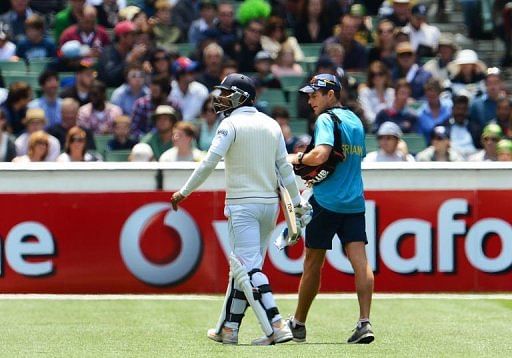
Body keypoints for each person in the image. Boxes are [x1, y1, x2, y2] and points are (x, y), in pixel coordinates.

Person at [170, 73, 310, 346]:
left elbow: (209, 161)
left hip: (242, 205)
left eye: (226, 93)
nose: (220, 99)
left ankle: (277, 325)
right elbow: (285, 170)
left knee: (247, 268)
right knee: (243, 269)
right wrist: (298, 203)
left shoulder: (230, 124)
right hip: (269, 206)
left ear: (240, 96)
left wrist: (184, 191)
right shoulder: (271, 124)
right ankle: (228, 328)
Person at [286, 73, 374, 344]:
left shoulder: (326, 119)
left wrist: (290, 158)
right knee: (360, 261)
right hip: (354, 202)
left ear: (331, 94)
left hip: (325, 202)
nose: (310, 100)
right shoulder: (355, 120)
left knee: (313, 263)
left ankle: (298, 324)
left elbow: (321, 155)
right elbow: (352, 157)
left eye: (314, 94)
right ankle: (364, 323)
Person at [169, 56, 209, 122]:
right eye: (190, 72)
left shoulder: (201, 90)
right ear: (180, 75)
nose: (193, 74)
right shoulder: (169, 89)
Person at [358, 61, 395, 126]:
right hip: (373, 126)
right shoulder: (365, 92)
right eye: (373, 75)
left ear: (386, 75)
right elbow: (368, 114)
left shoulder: (392, 92)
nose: (377, 77)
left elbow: (392, 112)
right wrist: (380, 122)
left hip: (390, 125)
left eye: (380, 74)